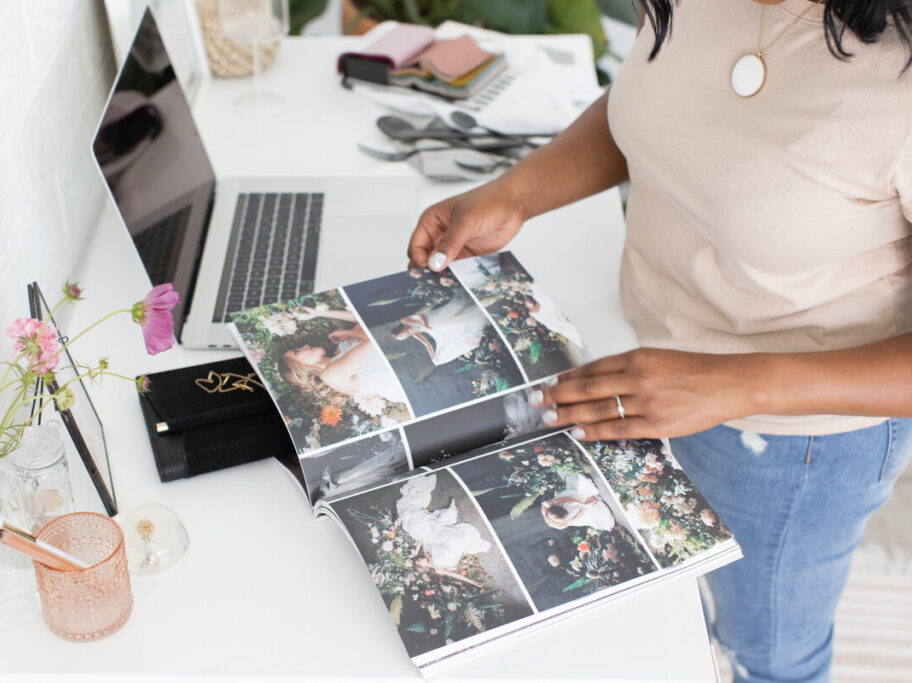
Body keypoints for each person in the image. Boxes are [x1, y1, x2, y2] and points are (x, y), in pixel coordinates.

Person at [406, 2, 912, 681]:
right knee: (677, 620)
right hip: (652, 372)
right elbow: (660, 107)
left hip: (798, 440)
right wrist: (519, 193)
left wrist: (733, 383)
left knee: (766, 653)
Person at [279, 307, 407, 405]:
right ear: (300, 370)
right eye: (296, 352)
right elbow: (373, 342)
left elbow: (362, 318)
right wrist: (350, 333)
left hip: (404, 351)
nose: (305, 346)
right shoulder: (331, 377)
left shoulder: (341, 349)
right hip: (408, 378)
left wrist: (319, 313)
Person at [396, 474, 492, 570]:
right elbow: (445, 565)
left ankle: (445, 511)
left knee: (424, 526)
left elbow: (423, 541)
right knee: (442, 535)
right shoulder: (436, 563)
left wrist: (417, 551)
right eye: (420, 561)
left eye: (418, 560)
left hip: (433, 538)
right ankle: (449, 511)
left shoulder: (427, 555)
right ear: (423, 566)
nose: (420, 559)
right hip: (442, 547)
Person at [390, 295, 488, 366]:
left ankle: (471, 303)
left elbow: (420, 315)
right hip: (433, 327)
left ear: (399, 331)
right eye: (403, 338)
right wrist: (433, 357)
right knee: (453, 327)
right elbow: (427, 344)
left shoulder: (404, 320)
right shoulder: (414, 333)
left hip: (430, 319)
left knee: (453, 315)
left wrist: (425, 326)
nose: (405, 336)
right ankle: (478, 313)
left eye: (401, 336)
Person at [540, 473, 615, 531]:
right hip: (570, 518)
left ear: (559, 507)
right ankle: (587, 502)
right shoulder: (562, 524)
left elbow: (566, 499)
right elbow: (577, 516)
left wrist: (583, 503)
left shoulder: (548, 505)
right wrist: (585, 506)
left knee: (582, 489)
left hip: (567, 498)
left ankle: (583, 498)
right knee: (581, 514)